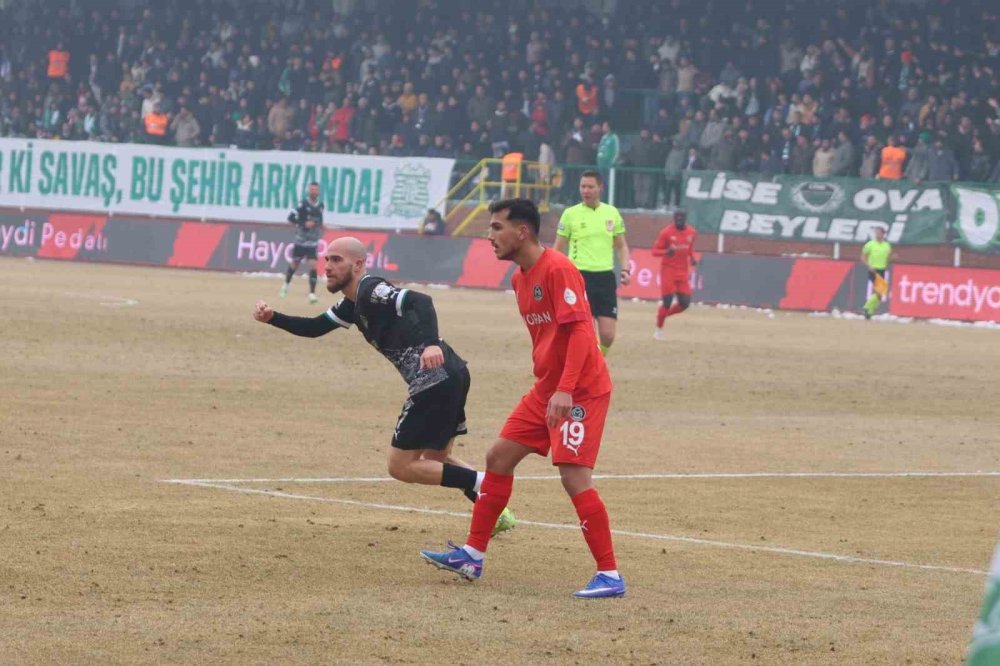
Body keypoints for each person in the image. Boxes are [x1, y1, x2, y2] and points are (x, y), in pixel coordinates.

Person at [420, 198, 625, 599]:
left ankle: (610, 575)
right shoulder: (519, 279)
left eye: (496, 227)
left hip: (580, 389)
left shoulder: (559, 270)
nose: (489, 236)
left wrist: (566, 388)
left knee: (573, 476)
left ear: (522, 231)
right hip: (548, 388)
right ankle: (472, 555)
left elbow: (582, 334)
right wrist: (552, 384)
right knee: (498, 457)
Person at [254, 236, 515, 533]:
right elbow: (314, 328)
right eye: (327, 259)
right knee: (436, 458)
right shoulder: (351, 305)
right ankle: (496, 512)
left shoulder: (370, 288)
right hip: (452, 373)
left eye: (336, 260)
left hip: (434, 378)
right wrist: (272, 317)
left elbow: (421, 300)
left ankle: (487, 485)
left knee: (400, 466)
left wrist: (430, 344)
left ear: (359, 264)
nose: (328, 266)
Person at [553, 170, 631, 356]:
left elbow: (621, 246)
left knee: (607, 335)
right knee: (586, 333)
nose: (585, 191)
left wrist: (625, 269)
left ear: (600, 188)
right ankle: (590, 370)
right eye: (583, 186)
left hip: (605, 278)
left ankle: (596, 362)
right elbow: (557, 248)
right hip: (579, 277)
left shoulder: (611, 213)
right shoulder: (570, 214)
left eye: (590, 187)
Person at [652, 209, 698, 340]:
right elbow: (654, 251)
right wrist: (666, 251)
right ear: (673, 217)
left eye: (681, 217)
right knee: (667, 302)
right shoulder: (666, 232)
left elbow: (689, 248)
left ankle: (663, 315)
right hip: (668, 271)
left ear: (685, 218)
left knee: (685, 303)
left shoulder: (692, 232)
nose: (679, 219)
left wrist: (692, 257)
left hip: (682, 272)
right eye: (676, 217)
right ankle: (658, 330)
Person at [280, 181, 324, 303]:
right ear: (308, 191)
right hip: (301, 240)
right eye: (312, 189)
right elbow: (290, 218)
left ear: (318, 191)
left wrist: (320, 226)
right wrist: (303, 223)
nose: (314, 192)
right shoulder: (302, 204)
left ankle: (312, 294)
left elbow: (319, 219)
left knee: (313, 266)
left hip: (313, 242)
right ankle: (286, 285)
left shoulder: (321, 205)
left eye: (316, 189)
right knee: (295, 265)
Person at [861, 226, 892, 320]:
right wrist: (869, 265)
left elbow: (888, 257)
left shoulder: (887, 245)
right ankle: (867, 307)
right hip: (873, 270)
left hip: (882, 270)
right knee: (879, 291)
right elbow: (863, 257)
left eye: (879, 233)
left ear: (883, 234)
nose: (877, 235)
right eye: (876, 233)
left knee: (880, 293)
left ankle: (869, 311)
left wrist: (887, 264)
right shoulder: (870, 244)